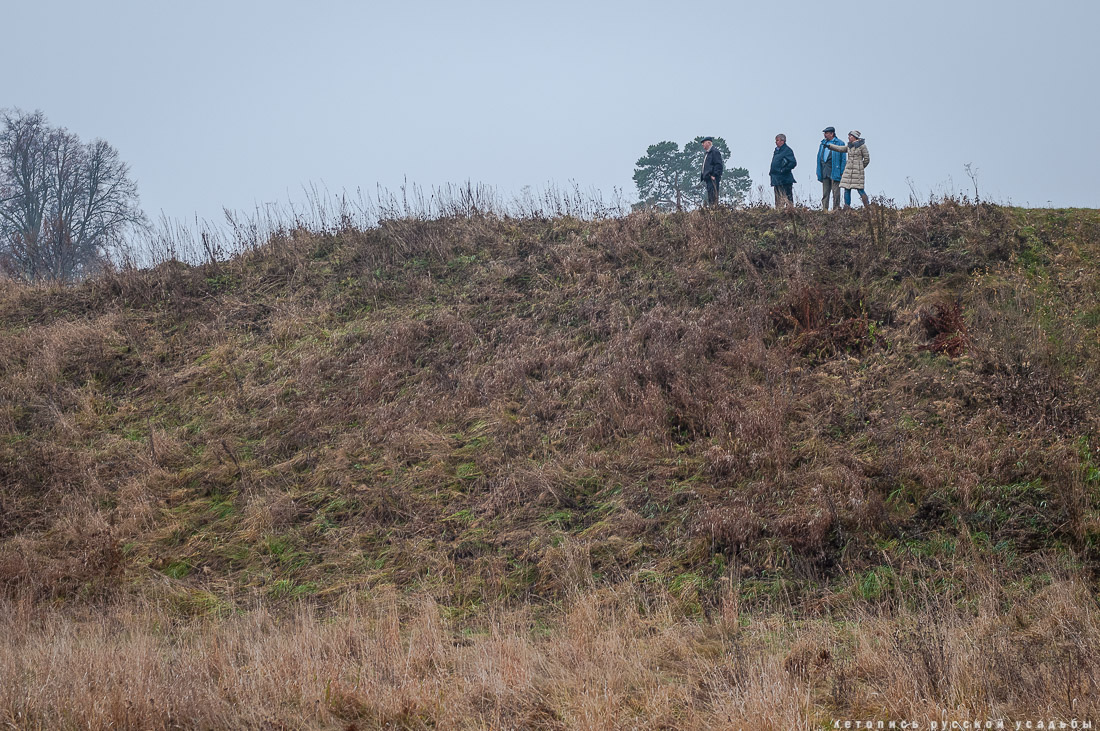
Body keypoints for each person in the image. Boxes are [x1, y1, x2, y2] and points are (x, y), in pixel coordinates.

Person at [825, 130, 870, 209]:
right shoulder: (849, 146)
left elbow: (867, 159)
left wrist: (860, 167)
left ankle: (867, 207)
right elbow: (840, 149)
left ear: (855, 137)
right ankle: (847, 207)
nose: (848, 137)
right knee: (847, 189)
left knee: (860, 189)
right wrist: (830, 146)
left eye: (850, 136)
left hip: (857, 172)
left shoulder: (862, 146)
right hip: (848, 171)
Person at [816, 127, 846, 211]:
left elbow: (843, 159)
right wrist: (818, 171)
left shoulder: (840, 143)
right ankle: (824, 209)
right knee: (825, 192)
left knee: (836, 192)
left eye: (826, 133)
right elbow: (819, 158)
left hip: (835, 172)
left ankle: (836, 209)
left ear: (832, 134)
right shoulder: (822, 144)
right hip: (825, 171)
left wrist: (842, 171)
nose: (825, 135)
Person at [770, 134, 796, 207]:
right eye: (776, 140)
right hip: (776, 179)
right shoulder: (777, 151)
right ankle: (779, 213)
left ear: (783, 141)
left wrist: (783, 170)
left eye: (777, 140)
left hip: (785, 179)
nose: (776, 142)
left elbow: (793, 162)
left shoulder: (787, 150)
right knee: (778, 200)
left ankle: (790, 213)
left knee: (788, 199)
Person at [700, 137, 724, 206]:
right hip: (708, 178)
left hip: (712, 178)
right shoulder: (708, 153)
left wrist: (714, 175)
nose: (702, 145)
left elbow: (719, 165)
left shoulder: (714, 152)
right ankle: (711, 210)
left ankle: (714, 210)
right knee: (710, 195)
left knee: (713, 195)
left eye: (704, 143)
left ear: (709, 143)